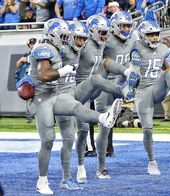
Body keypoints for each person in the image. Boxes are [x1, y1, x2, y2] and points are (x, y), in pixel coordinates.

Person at [25, 18, 122, 194]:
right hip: (41, 98)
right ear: (52, 34)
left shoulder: (62, 48)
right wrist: (64, 70)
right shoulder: (43, 48)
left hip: (56, 94)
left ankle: (103, 118)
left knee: (74, 113)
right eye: (63, 36)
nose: (65, 40)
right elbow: (44, 75)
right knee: (48, 140)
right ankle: (42, 181)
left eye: (66, 36)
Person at [134, 20, 170, 175]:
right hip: (142, 92)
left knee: (165, 74)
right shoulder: (136, 47)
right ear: (143, 35)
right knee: (148, 129)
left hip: (156, 87)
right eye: (151, 35)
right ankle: (152, 162)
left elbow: (166, 66)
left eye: (156, 34)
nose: (155, 38)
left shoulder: (163, 49)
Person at [95, 10, 139, 178]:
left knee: (109, 125)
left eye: (128, 25)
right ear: (114, 27)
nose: (126, 29)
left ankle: (107, 152)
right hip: (104, 85)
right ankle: (100, 166)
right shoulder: (106, 39)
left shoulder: (133, 38)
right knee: (103, 126)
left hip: (121, 83)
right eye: (123, 26)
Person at [15, 37, 37, 123]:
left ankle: (49, 117)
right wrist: (21, 60)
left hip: (38, 78)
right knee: (28, 97)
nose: (32, 45)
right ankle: (30, 116)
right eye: (31, 44)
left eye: (34, 43)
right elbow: (18, 64)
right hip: (29, 79)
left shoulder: (39, 53)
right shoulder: (27, 54)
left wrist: (27, 60)